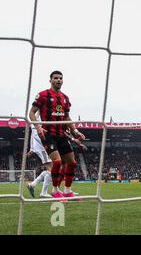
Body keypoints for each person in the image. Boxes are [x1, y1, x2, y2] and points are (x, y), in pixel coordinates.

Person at [28, 70, 85, 200]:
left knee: (72, 163)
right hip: (48, 135)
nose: (58, 80)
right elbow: (31, 113)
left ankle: (67, 190)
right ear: (50, 80)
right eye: (55, 78)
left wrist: (75, 132)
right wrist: (38, 127)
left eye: (60, 78)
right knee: (57, 162)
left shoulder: (65, 98)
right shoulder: (42, 95)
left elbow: (67, 117)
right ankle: (54, 191)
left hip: (61, 135)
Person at [27, 112, 53, 198]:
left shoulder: (35, 121)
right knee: (51, 170)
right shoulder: (36, 118)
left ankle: (33, 185)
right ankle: (43, 192)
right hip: (41, 148)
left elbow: (32, 135)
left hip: (42, 147)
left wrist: (31, 148)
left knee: (51, 169)